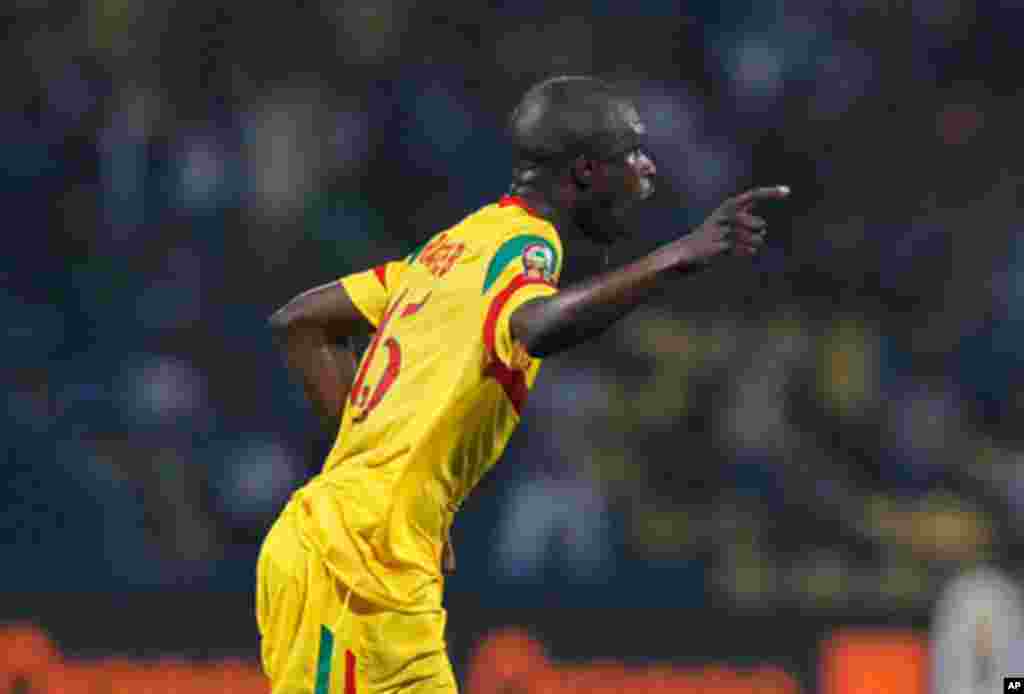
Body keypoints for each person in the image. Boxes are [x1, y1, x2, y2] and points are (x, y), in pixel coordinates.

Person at [257, 75, 789, 694]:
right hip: (351, 572)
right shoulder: (523, 246)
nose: (648, 169)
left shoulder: (451, 248)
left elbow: (302, 323)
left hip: (387, 570)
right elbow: (534, 325)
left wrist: (390, 475)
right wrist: (679, 257)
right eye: (634, 154)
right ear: (586, 172)